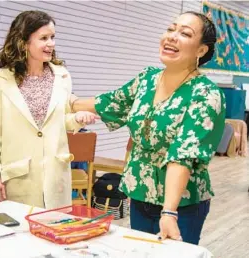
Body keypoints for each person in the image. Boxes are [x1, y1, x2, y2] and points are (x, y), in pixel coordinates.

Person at [71, 11, 225, 245]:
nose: (172, 36)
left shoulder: (205, 94)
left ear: (201, 50)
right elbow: (110, 102)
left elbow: (182, 156)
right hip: (140, 194)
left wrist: (169, 211)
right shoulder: (147, 79)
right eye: (171, 29)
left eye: (184, 33)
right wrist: (65, 101)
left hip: (180, 205)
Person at [0, 10, 98, 209]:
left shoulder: (62, 76)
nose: (51, 44)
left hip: (55, 174)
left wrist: (78, 119)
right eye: (44, 38)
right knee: (21, 232)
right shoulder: (1, 79)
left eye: (53, 37)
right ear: (23, 42)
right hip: (20, 174)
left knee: (55, 229)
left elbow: (60, 121)